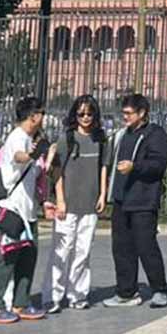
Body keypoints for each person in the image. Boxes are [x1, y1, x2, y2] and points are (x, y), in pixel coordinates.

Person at [0, 95, 50, 325]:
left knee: (27, 258)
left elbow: (35, 173)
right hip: (12, 210)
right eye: (41, 113)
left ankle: (21, 302)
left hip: (28, 211)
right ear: (33, 116)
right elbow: (18, 157)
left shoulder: (30, 138)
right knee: (5, 258)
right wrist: (31, 155)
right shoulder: (17, 137)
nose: (43, 117)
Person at [104, 93, 167, 310]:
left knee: (146, 246)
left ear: (142, 113)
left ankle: (160, 290)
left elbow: (158, 165)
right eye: (123, 113)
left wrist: (135, 167)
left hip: (143, 200)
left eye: (129, 113)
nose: (125, 117)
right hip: (121, 199)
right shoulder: (122, 135)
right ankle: (126, 292)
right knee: (121, 248)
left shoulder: (155, 134)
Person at [48, 94, 110, 312]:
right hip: (67, 204)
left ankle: (78, 295)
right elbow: (57, 170)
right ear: (75, 114)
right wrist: (60, 200)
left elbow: (104, 167)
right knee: (61, 251)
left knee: (83, 252)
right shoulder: (67, 138)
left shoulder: (101, 139)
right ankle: (53, 296)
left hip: (90, 204)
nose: (85, 117)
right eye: (81, 113)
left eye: (90, 113)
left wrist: (103, 194)